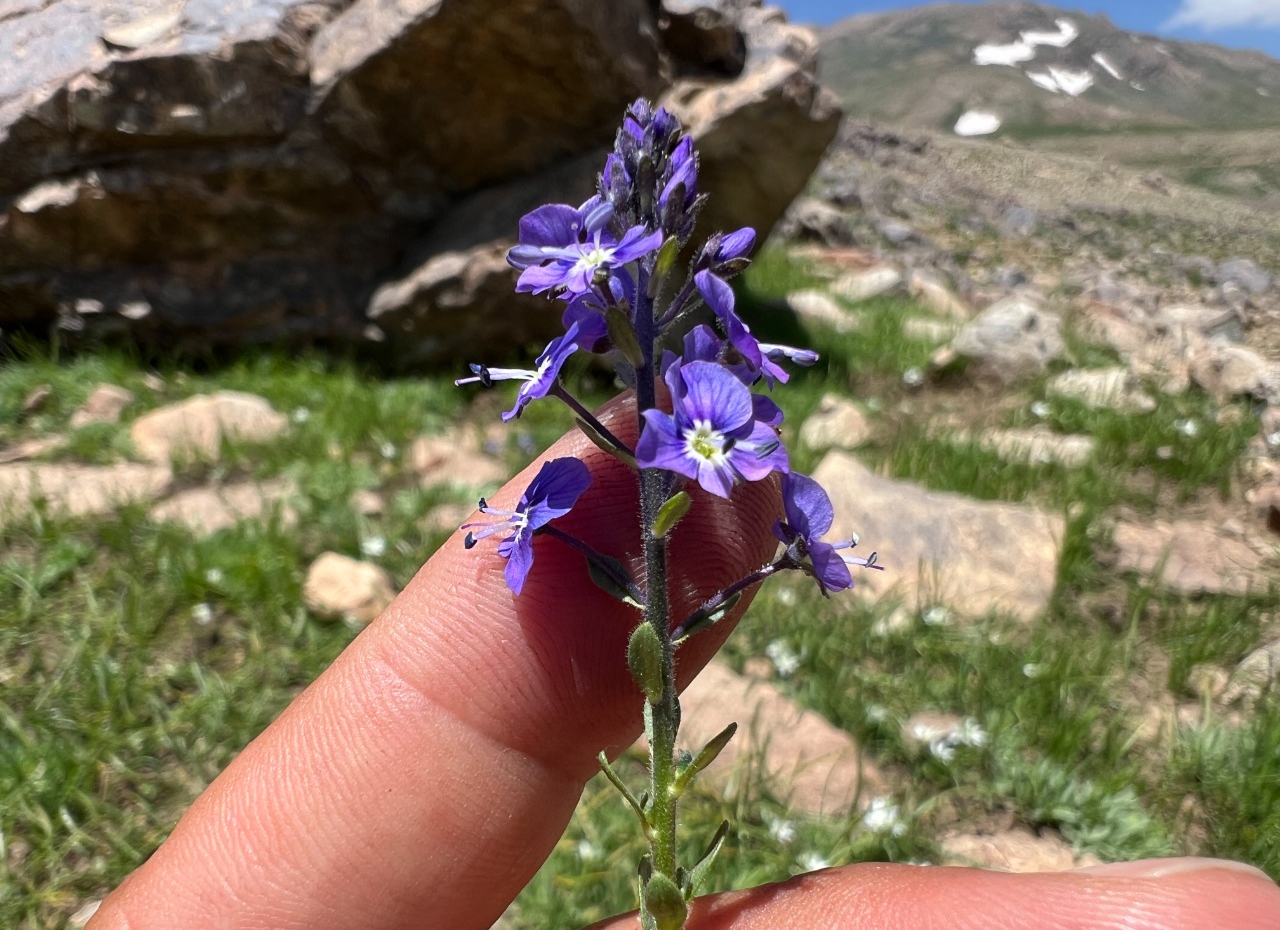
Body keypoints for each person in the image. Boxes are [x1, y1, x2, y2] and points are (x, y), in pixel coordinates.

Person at [89, 397, 1280, 930]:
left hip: (679, 505)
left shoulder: (697, 423)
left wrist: (735, 486)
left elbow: (707, 438)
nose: (699, 438)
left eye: (707, 431)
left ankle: (666, 815)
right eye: (691, 433)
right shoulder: (633, 428)